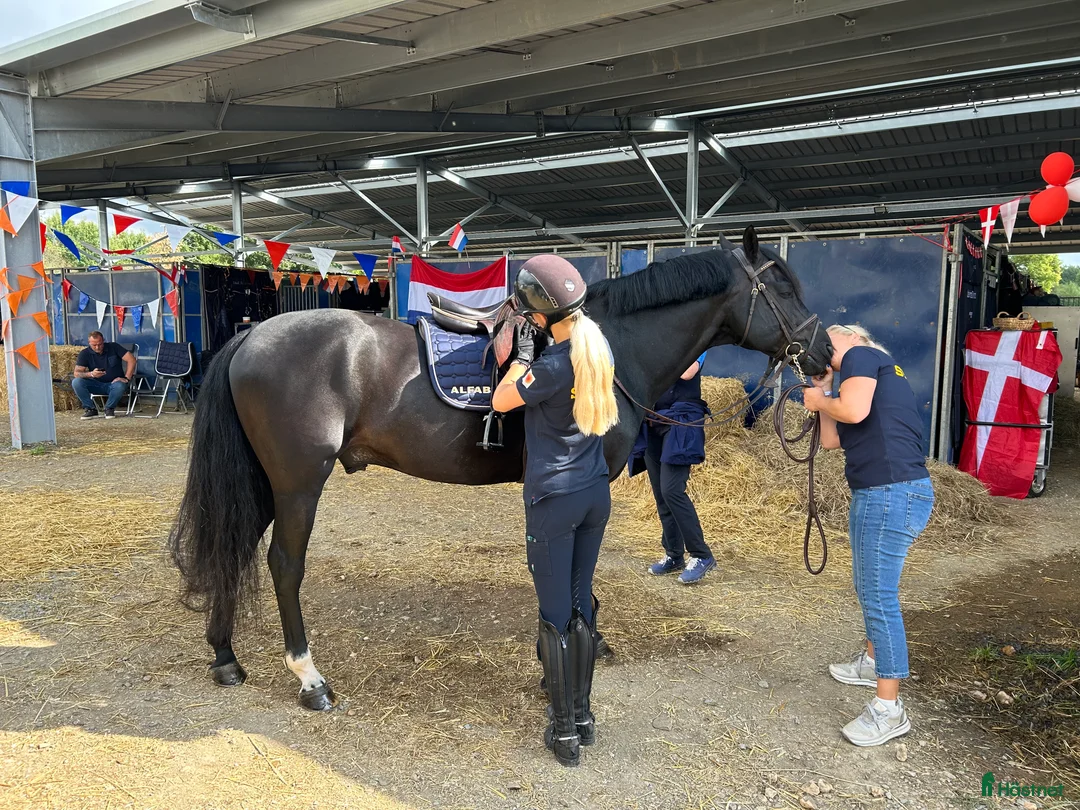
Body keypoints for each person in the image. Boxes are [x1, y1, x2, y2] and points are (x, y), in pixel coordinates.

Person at [492, 255, 618, 768]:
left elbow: (502, 401)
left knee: (555, 615)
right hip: (594, 495)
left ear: (540, 315)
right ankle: (584, 717)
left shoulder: (548, 367)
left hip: (553, 501)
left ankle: (563, 731)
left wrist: (522, 358)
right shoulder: (597, 349)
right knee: (580, 602)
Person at [802, 324, 935, 747]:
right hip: (887, 491)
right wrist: (822, 393)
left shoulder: (862, 357)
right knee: (871, 588)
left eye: (830, 338)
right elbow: (830, 441)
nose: (824, 345)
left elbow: (854, 411)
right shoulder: (873, 373)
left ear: (852, 338)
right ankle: (871, 661)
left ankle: (888, 709)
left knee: (879, 596)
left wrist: (820, 397)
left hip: (888, 492)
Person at [628, 353, 715, 584]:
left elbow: (687, 372)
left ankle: (701, 554)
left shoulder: (697, 341)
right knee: (661, 494)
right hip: (653, 419)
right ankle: (674, 554)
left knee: (672, 490)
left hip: (681, 420)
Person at [72, 332, 136, 419]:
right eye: (94, 345)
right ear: (89, 342)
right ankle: (90, 409)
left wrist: (126, 378)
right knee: (76, 382)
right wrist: (91, 374)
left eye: (100, 344)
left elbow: (131, 359)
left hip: (114, 383)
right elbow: (77, 373)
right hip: (95, 383)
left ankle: (109, 408)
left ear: (103, 341)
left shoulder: (113, 347)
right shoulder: (85, 353)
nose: (97, 347)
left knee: (119, 385)